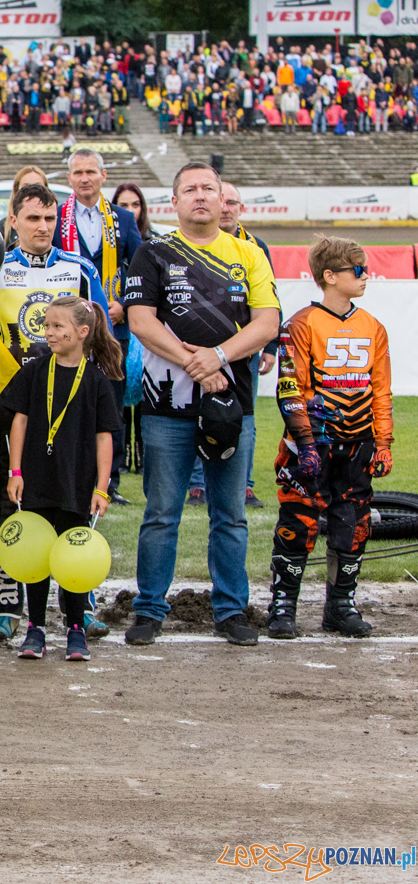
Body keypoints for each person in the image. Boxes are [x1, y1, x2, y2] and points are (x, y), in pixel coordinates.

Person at [122, 162, 279, 647]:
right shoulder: (153, 253)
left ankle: (231, 610)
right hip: (166, 407)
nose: (200, 196)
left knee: (229, 514)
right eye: (189, 189)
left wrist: (218, 357)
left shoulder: (248, 254)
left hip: (233, 408)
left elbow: (267, 323)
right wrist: (195, 363)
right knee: (161, 512)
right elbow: (140, 321)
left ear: (223, 199)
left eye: (208, 188)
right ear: (174, 201)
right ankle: (149, 610)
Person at [0, 181, 112, 644]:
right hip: (16, 408)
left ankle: (83, 603)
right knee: (12, 504)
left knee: (74, 503)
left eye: (50, 219)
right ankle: (7, 604)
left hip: (71, 410)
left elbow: (101, 341)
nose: (43, 227)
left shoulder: (79, 269)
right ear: (13, 221)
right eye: (32, 218)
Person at [268, 237, 392, 639]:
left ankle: (341, 606)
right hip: (311, 447)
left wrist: (384, 443)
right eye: (359, 270)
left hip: (358, 446)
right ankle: (282, 607)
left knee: (352, 524)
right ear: (330, 276)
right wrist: (305, 444)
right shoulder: (301, 325)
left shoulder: (373, 327)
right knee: (298, 522)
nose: (366, 276)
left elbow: (380, 390)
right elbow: (290, 388)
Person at [0, 296, 125, 663]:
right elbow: (18, 422)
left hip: (77, 482)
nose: (48, 333)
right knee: (36, 556)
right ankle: (35, 628)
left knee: (73, 557)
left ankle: (75, 629)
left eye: (57, 326)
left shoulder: (98, 382)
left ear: (82, 332)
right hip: (36, 478)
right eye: (47, 326)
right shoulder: (35, 372)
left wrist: (102, 487)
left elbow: (105, 438)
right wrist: (16, 471)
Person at [55, 148, 142, 505]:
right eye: (78, 172)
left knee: (111, 406)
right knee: (69, 403)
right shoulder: (57, 217)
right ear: (69, 179)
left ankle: (112, 480)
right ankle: (71, 474)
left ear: (103, 176)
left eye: (91, 171)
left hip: (112, 331)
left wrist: (126, 304)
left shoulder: (122, 218)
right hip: (67, 331)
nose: (85, 178)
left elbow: (139, 269)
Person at [188, 182, 279, 508]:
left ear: (241, 208)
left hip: (245, 351)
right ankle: (197, 483)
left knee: (246, 418)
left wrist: (271, 348)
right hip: (199, 349)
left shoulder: (257, 247)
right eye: (221, 201)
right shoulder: (193, 243)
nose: (225, 208)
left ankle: (245, 483)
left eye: (232, 203)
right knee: (200, 411)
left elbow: (270, 301)